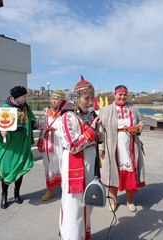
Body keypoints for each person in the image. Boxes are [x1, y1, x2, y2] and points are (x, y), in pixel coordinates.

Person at [57, 76, 104, 240]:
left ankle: (83, 235)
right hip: (74, 168)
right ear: (77, 98)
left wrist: (99, 136)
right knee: (74, 208)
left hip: (90, 166)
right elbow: (72, 145)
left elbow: (94, 137)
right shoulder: (68, 117)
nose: (91, 102)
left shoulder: (90, 115)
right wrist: (92, 132)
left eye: (92, 98)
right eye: (86, 98)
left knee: (87, 204)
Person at [0, 86, 39, 209]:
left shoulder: (26, 108)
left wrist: (36, 125)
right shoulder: (6, 109)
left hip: (22, 144)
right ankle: (4, 195)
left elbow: (31, 121)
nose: (25, 98)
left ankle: (17, 194)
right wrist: (1, 133)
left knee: (19, 170)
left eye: (26, 96)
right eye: (23, 96)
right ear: (16, 97)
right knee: (6, 170)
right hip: (9, 146)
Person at [99, 85, 146, 212]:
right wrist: (101, 147)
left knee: (129, 172)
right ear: (114, 95)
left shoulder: (133, 109)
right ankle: (113, 201)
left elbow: (141, 122)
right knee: (113, 174)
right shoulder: (106, 110)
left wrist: (138, 128)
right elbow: (100, 129)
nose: (122, 97)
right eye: (120, 94)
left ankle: (130, 201)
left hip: (130, 144)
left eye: (125, 94)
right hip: (112, 145)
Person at [37, 90, 67, 201]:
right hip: (48, 141)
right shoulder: (47, 111)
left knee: (62, 165)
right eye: (53, 99)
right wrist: (41, 140)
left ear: (61, 100)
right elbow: (43, 127)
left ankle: (65, 190)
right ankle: (50, 190)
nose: (54, 101)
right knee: (48, 165)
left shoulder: (65, 112)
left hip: (60, 143)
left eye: (57, 99)